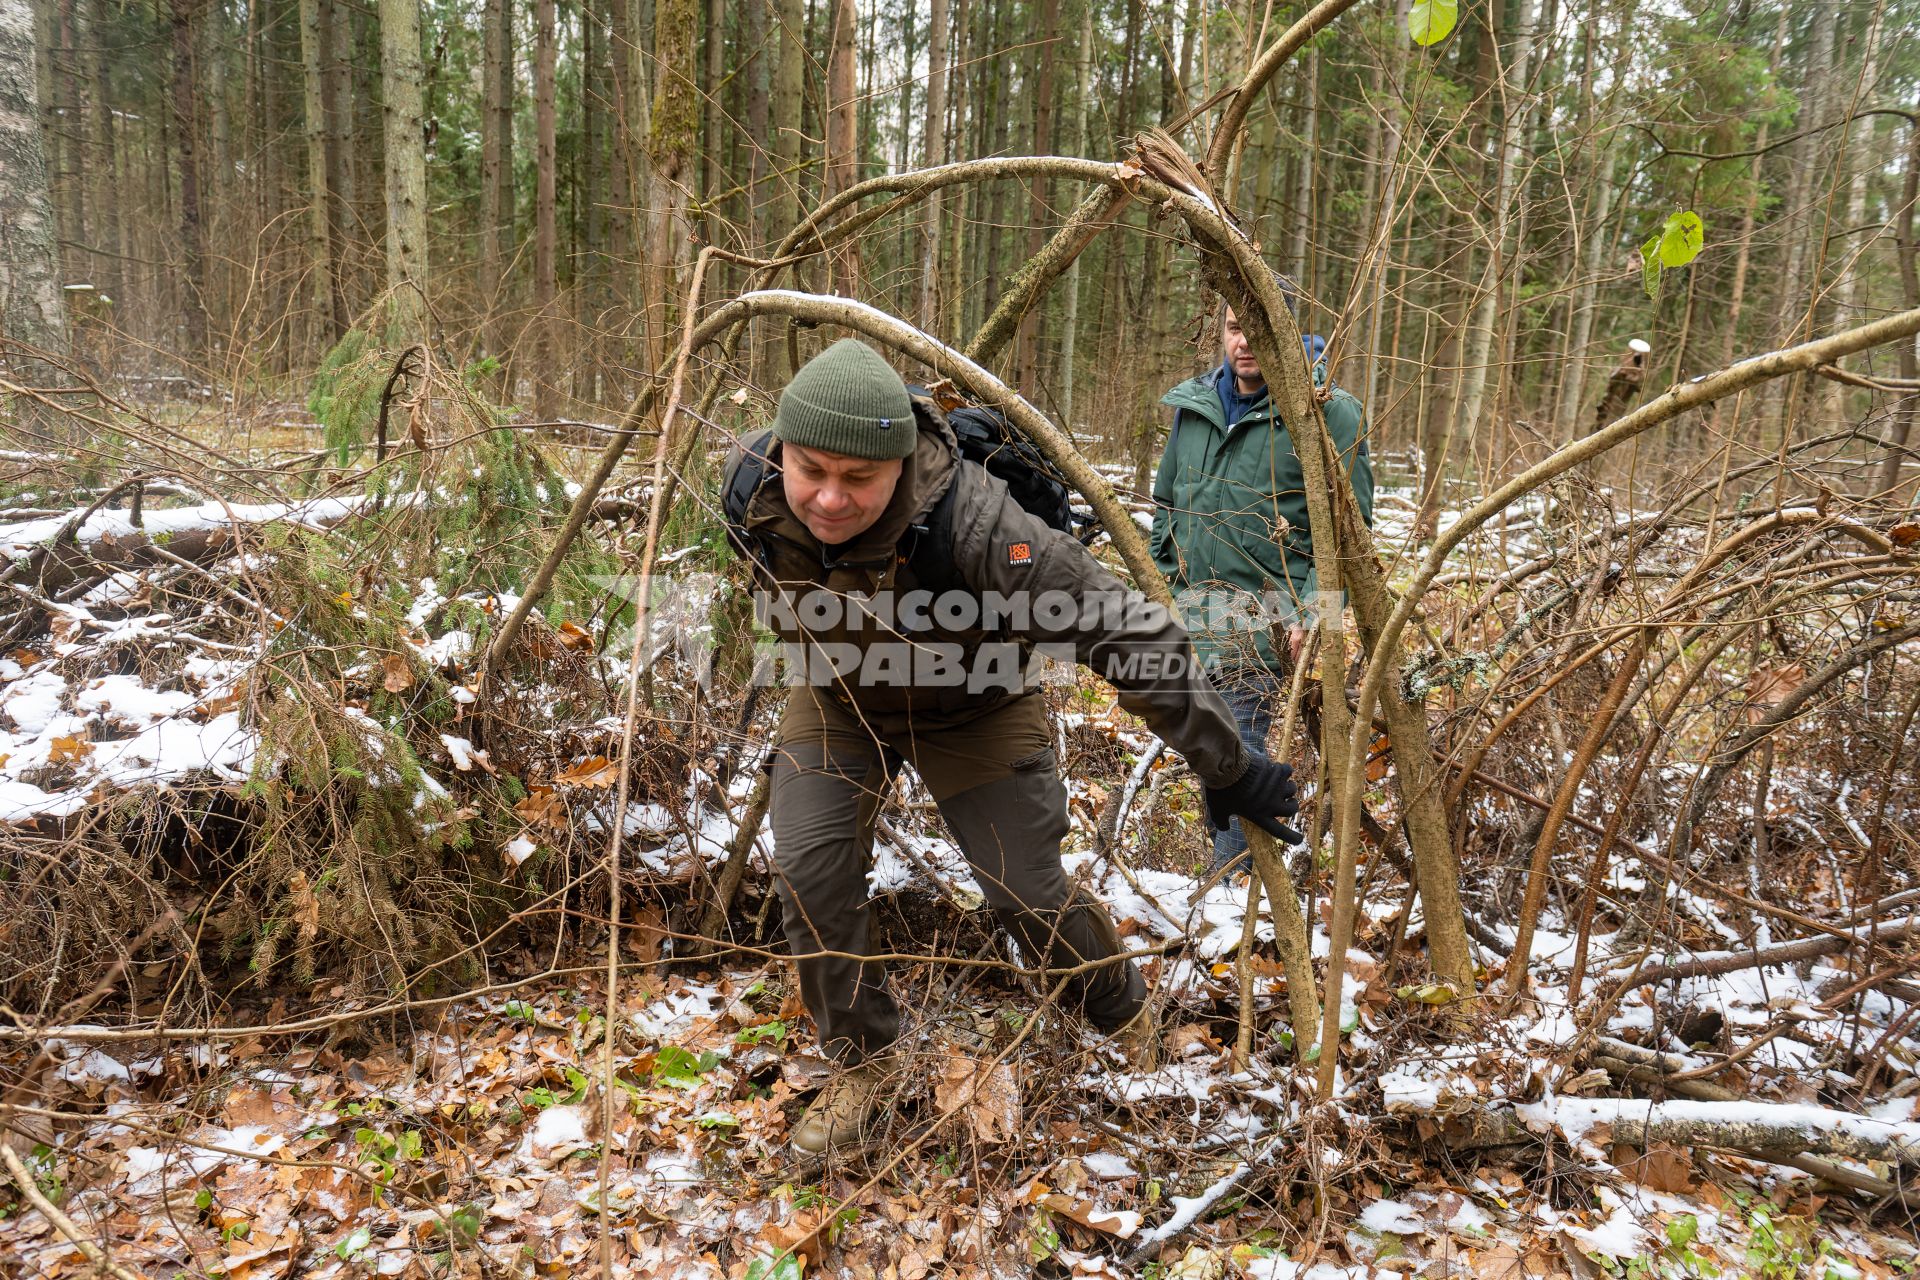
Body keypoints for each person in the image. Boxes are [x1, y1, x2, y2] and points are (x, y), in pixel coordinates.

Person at [721, 337, 1301, 1155]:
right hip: (840, 700)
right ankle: (866, 1061)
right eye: (811, 470)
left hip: (977, 707)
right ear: (780, 449)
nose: (828, 499)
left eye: (860, 480)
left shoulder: (978, 522)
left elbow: (1119, 629)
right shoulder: (749, 489)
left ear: (902, 460)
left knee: (1023, 890)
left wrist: (1227, 763)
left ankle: (1121, 1012)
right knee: (810, 870)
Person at [1150, 300, 1373, 879]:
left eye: (1258, 327)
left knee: (1236, 747)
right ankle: (1229, 884)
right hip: (1194, 615)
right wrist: (1169, 582)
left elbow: (1351, 531)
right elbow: (1166, 503)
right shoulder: (1193, 407)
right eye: (1232, 327)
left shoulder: (1328, 414)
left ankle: (1233, 894)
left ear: (1287, 330)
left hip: (1267, 621)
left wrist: (1309, 612)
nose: (1244, 341)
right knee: (1206, 749)